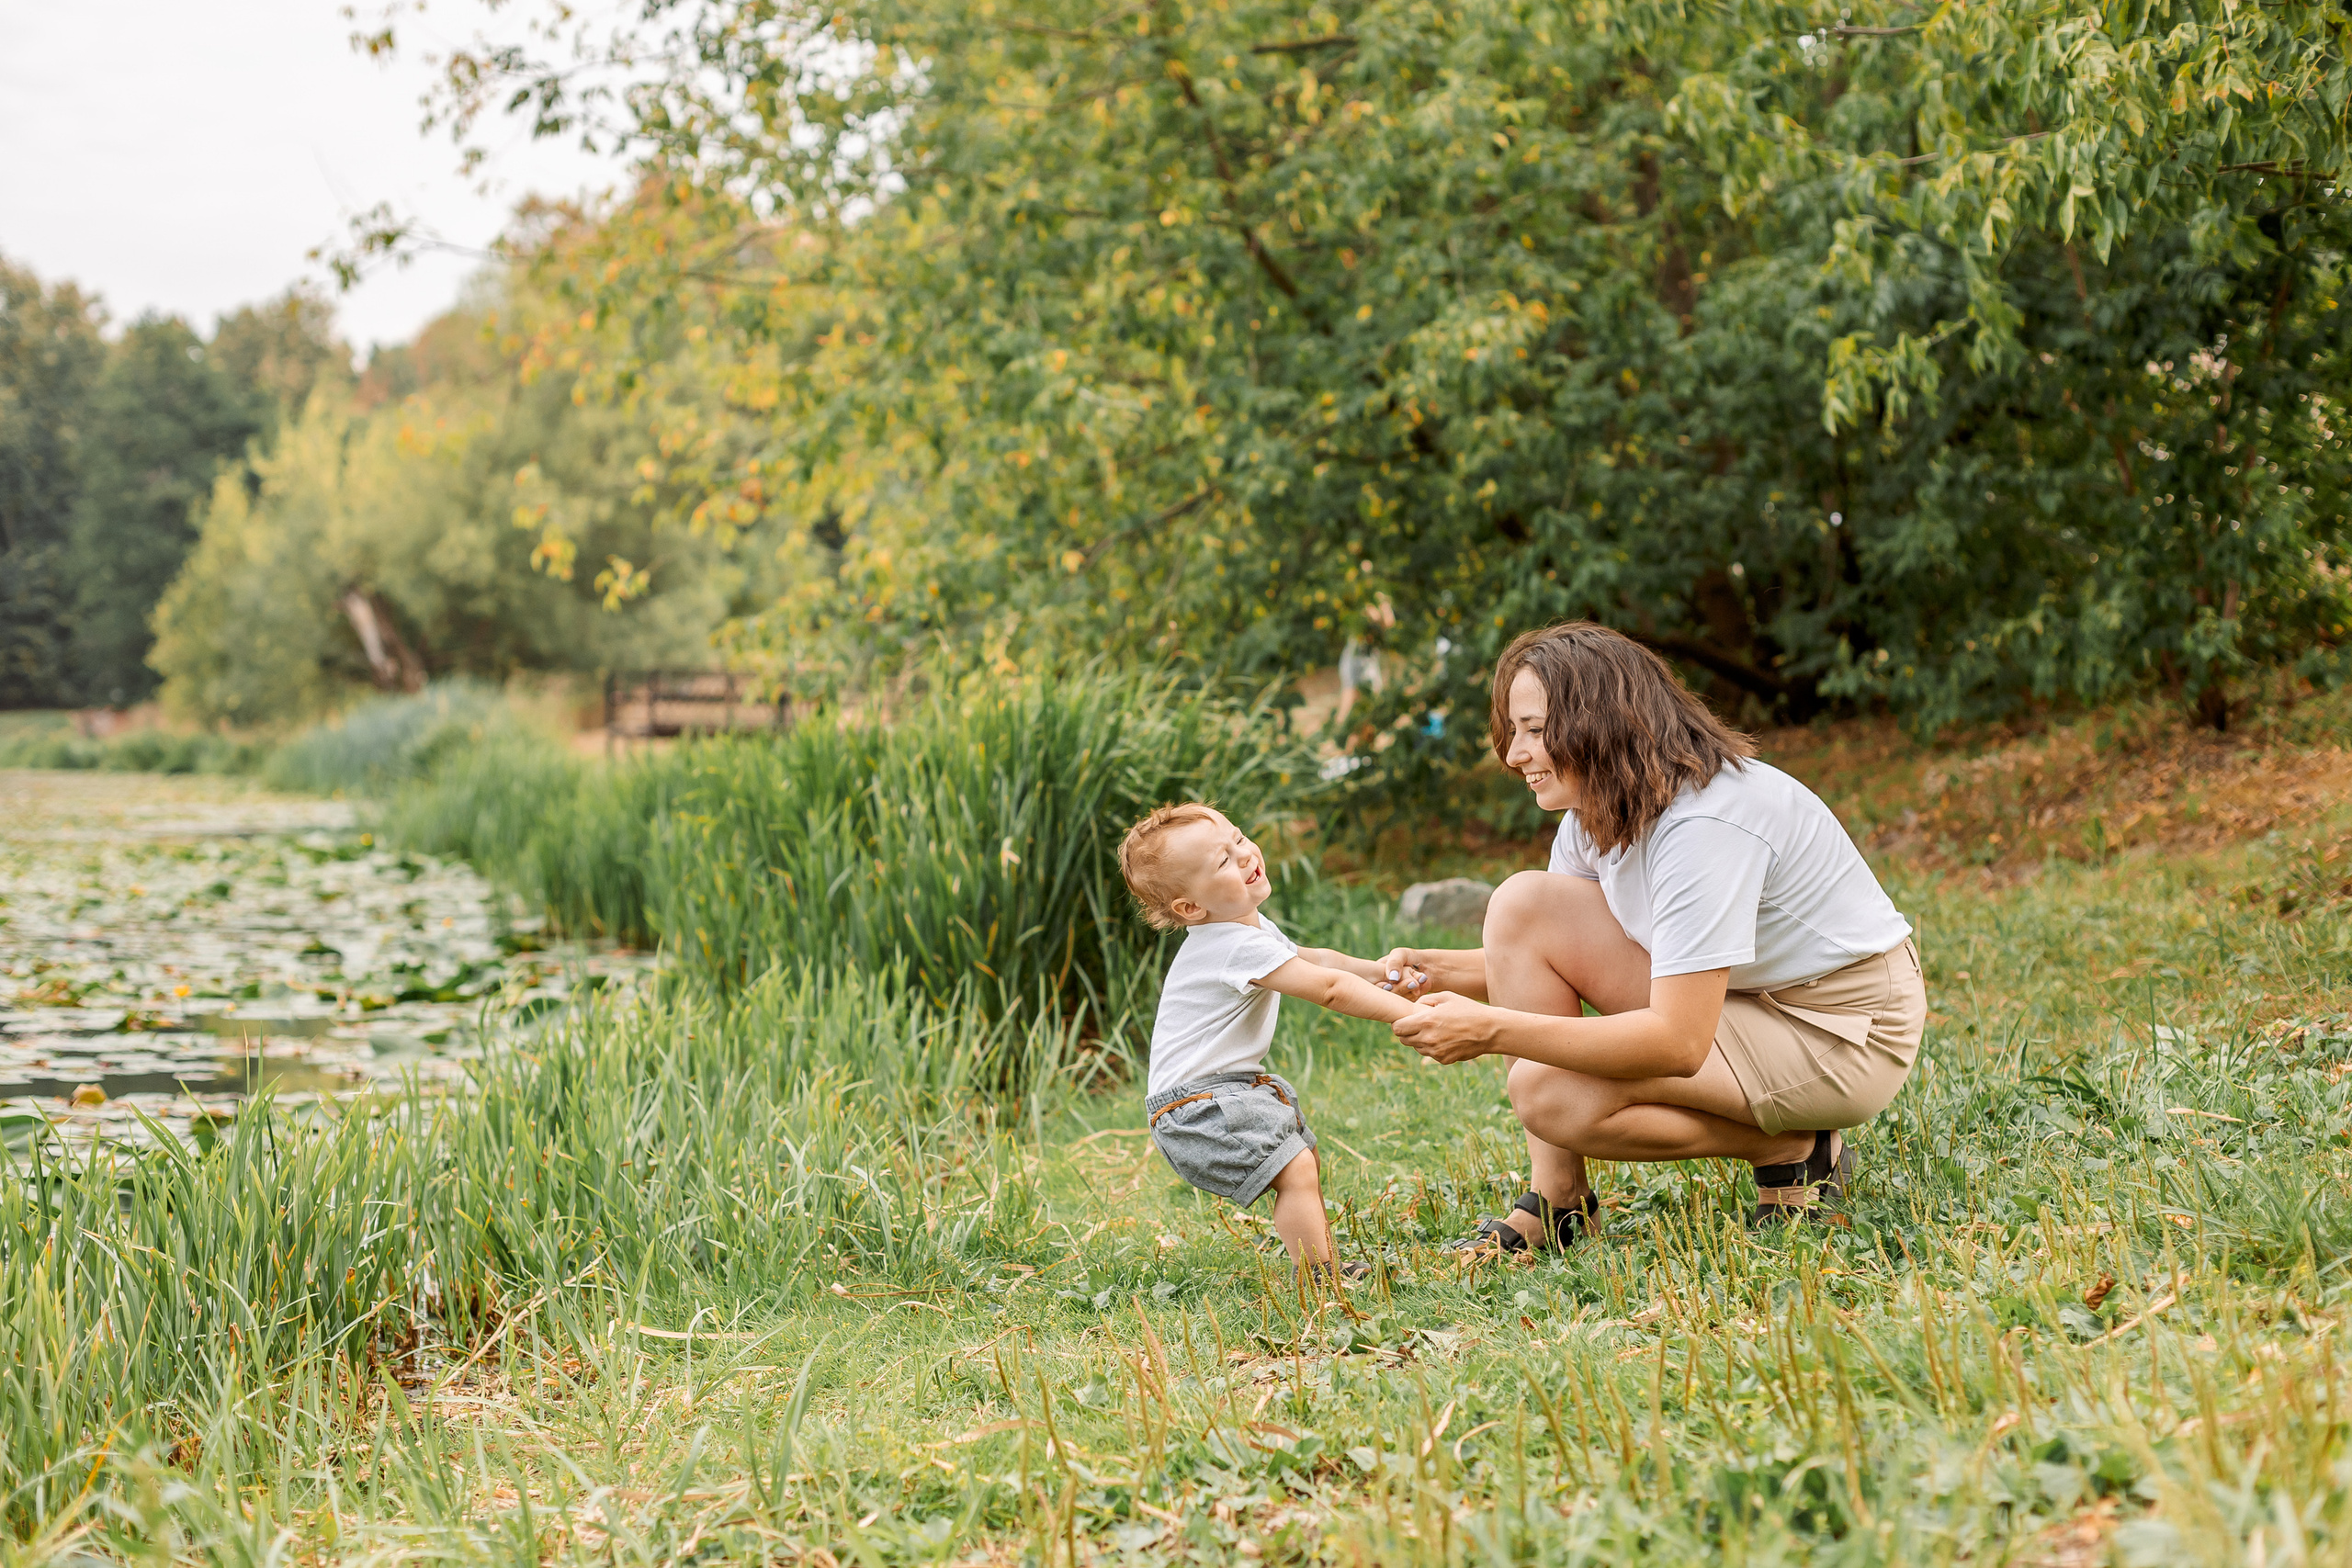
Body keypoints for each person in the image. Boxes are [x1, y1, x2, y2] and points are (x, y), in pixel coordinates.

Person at [1378, 621, 1923, 1250]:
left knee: (1544, 1090)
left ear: (1599, 721)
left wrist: (1489, 1030)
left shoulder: (1704, 824)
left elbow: (1678, 1040)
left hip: (1841, 1028)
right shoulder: (1601, 806)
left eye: (1532, 730)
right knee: (1520, 906)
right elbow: (1543, 953)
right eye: (1514, 731)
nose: (1513, 754)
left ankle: (1795, 1144)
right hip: (1745, 997)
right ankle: (1560, 1203)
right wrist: (1433, 971)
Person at [1118, 803, 1416, 1281]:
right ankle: (1319, 1277)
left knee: (1302, 1159)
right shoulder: (1232, 945)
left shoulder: (1245, 929)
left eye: (1237, 839)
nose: (1243, 855)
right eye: (1222, 862)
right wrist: (1412, 1015)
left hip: (1226, 1090)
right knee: (1295, 1167)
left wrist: (1377, 972)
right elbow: (1328, 989)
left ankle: (1323, 1264)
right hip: (1197, 1105)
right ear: (1191, 908)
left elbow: (1317, 960)